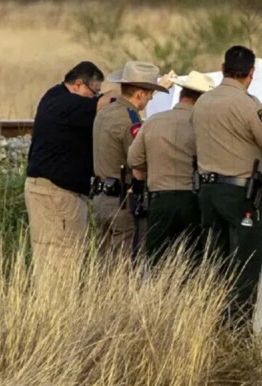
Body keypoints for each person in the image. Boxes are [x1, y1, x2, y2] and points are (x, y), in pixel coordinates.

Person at [192, 45, 262, 329]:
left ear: (222, 68)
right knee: (245, 264)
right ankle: (239, 330)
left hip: (207, 192)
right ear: (251, 74)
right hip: (240, 195)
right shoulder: (249, 106)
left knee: (215, 261)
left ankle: (212, 324)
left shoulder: (202, 103)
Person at [25, 62, 115, 271]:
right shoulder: (64, 103)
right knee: (62, 259)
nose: (95, 98)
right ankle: (56, 303)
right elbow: (100, 105)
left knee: (57, 257)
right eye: (94, 92)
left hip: (55, 192)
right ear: (78, 84)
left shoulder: (55, 98)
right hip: (58, 195)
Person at [127, 71, 215, 263]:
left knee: (157, 262)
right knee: (192, 263)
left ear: (182, 94)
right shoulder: (204, 125)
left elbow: (134, 159)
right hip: (192, 200)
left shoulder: (152, 122)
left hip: (159, 199)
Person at [92, 61, 168, 259]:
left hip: (100, 198)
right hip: (121, 202)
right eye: (150, 93)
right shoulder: (130, 121)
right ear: (140, 94)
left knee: (105, 261)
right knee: (123, 264)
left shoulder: (104, 112)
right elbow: (138, 163)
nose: (151, 98)